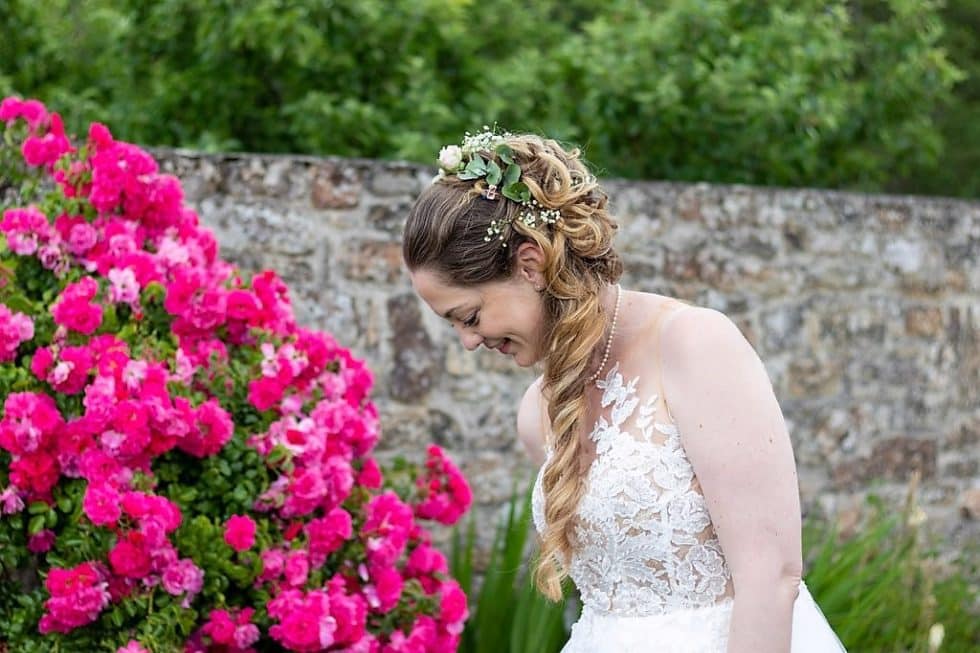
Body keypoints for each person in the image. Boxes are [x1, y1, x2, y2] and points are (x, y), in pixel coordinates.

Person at [402, 130, 846, 652]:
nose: (469, 342)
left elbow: (771, 578)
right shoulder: (539, 413)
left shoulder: (694, 345)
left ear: (530, 263)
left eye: (470, 316)